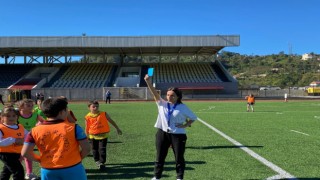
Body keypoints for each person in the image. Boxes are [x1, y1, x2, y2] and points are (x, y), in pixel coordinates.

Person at [21, 98, 91, 180]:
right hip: (73, 167)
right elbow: (87, 148)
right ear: (62, 112)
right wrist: (77, 158)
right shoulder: (74, 128)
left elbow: (25, 153)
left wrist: (40, 159)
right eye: (66, 109)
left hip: (48, 170)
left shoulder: (34, 131)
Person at [144, 74, 197, 180]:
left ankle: (179, 177)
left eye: (172, 95)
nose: (169, 97)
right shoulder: (161, 104)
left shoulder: (183, 107)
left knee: (179, 158)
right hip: (162, 133)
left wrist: (185, 125)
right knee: (159, 157)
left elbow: (193, 117)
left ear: (178, 97)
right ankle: (157, 176)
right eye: (168, 95)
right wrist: (148, 82)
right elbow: (154, 93)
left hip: (178, 135)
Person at [85, 100, 122, 170]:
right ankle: (97, 161)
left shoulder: (103, 114)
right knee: (94, 149)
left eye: (97, 106)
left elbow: (111, 120)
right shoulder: (87, 117)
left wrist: (117, 128)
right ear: (89, 108)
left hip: (103, 135)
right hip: (92, 136)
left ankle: (102, 162)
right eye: (93, 107)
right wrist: (86, 136)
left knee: (102, 149)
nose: (95, 108)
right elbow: (87, 127)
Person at [16, 99, 45, 180]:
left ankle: (29, 173)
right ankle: (15, 172)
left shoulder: (35, 114)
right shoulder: (16, 114)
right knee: (20, 157)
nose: (31, 107)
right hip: (19, 139)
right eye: (28, 105)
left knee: (27, 155)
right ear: (21, 107)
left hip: (30, 138)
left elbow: (44, 122)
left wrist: (40, 124)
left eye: (32, 105)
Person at [0, 106, 28, 180]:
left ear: (17, 117)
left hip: (17, 153)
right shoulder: (1, 128)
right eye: (8, 116)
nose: (11, 118)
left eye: (14, 116)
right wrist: (13, 140)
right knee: (18, 172)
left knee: (7, 171)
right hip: (5, 154)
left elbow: (28, 136)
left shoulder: (20, 127)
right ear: (2, 117)